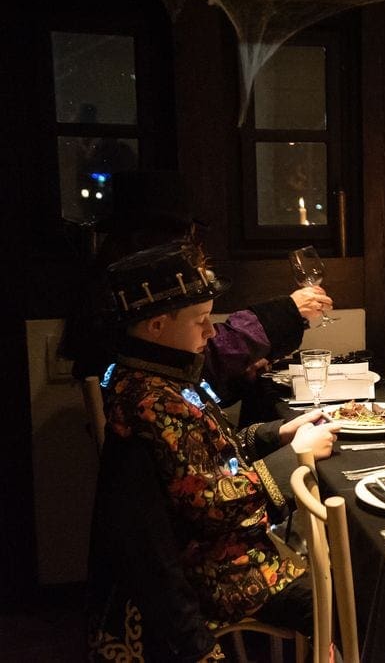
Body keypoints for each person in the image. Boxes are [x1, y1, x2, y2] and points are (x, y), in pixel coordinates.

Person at [86, 240, 340, 661]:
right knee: (341, 594)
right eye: (201, 320)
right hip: (207, 571)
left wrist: (278, 432)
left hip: (208, 555)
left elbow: (205, 452)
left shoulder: (159, 374)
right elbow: (213, 505)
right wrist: (293, 457)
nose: (210, 332)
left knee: (335, 570)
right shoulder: (151, 400)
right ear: (156, 325)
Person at [59, 169, 333, 410]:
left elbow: (197, 379)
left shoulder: (116, 291)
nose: (192, 246)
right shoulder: (132, 299)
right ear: (152, 240)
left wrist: (240, 372)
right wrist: (286, 312)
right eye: (185, 236)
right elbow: (205, 360)